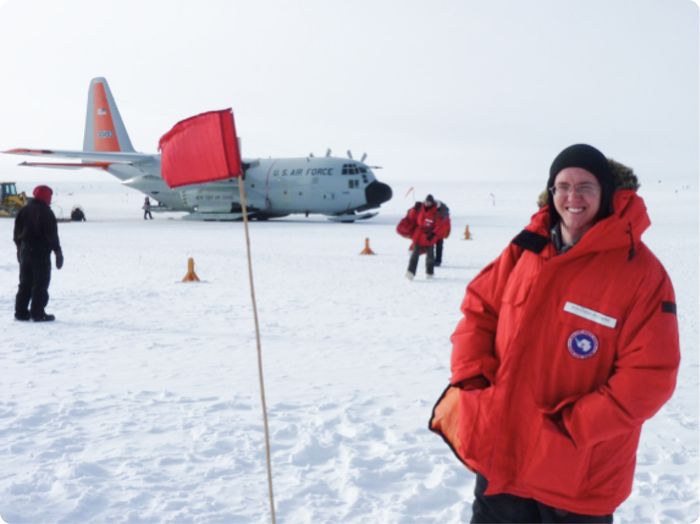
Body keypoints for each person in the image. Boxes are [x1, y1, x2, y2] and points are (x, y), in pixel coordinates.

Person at [429, 144, 680, 522]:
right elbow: (478, 311)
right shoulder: (525, 250)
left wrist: (573, 426)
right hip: (503, 461)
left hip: (576, 474)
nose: (572, 197)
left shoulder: (641, 274)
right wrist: (473, 379)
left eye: (585, 187)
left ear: (608, 195)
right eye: (562, 186)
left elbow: (650, 377)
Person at [13, 185, 64, 322]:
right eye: (50, 196)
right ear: (46, 197)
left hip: (25, 251)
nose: (50, 199)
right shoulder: (46, 213)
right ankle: (37, 313)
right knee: (40, 284)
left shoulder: (23, 211)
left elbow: (16, 234)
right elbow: (52, 235)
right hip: (40, 253)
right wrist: (58, 252)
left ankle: (21, 312)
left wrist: (19, 249)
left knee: (25, 283)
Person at [406, 194, 446, 280]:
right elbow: (412, 217)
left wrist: (433, 234)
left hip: (429, 237)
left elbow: (439, 225)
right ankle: (410, 272)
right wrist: (414, 208)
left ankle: (430, 272)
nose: (427, 203)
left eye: (429, 202)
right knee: (414, 255)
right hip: (419, 235)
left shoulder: (436, 212)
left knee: (430, 256)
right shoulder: (420, 208)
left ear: (432, 203)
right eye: (426, 201)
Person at [434, 200, 451, 267]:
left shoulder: (444, 212)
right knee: (431, 248)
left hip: (440, 233)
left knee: (439, 247)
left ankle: (438, 261)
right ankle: (433, 260)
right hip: (433, 232)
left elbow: (447, 224)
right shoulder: (431, 210)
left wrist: (447, 232)